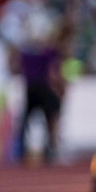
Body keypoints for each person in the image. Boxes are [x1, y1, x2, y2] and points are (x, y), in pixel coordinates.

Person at [17, 26, 64, 166]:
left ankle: (22, 150)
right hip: (42, 89)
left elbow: (18, 67)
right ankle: (49, 149)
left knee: (26, 121)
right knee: (49, 120)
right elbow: (53, 72)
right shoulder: (48, 53)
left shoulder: (27, 54)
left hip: (31, 89)